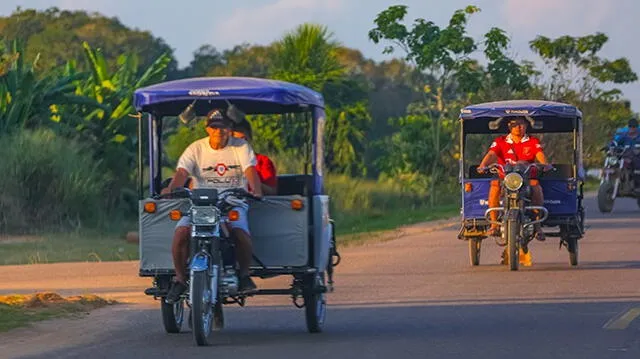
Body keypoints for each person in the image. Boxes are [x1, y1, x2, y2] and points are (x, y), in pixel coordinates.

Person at [162, 109, 263, 303]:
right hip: (200, 203)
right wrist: (173, 189)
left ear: (230, 129)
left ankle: (244, 275)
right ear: (207, 128)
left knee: (240, 232)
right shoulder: (195, 149)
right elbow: (182, 173)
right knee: (181, 233)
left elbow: (250, 170)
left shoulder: (241, 147)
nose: (219, 131)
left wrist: (256, 191)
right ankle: (181, 279)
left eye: (223, 126)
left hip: (232, 200)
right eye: (214, 127)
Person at [477, 116, 551, 247]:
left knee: (536, 187)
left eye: (521, 124)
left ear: (526, 126)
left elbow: (540, 155)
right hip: (505, 178)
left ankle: (537, 226)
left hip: (527, 179)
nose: (518, 127)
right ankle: (494, 225)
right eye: (514, 124)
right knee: (494, 185)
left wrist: (545, 164)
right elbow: (491, 154)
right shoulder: (500, 141)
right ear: (509, 126)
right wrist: (482, 165)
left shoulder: (533, 141)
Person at [231, 120, 278, 195]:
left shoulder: (263, 161)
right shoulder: (224, 161)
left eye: (244, 139)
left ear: (250, 138)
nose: (241, 143)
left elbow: (272, 191)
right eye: (237, 140)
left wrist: (251, 180)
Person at [609, 118, 640, 191]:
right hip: (624, 157)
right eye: (630, 127)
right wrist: (611, 146)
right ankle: (612, 181)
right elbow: (615, 142)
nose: (632, 129)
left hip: (637, 158)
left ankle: (637, 184)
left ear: (636, 127)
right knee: (613, 162)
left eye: (633, 127)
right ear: (628, 127)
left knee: (637, 168)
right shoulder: (624, 135)